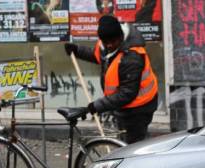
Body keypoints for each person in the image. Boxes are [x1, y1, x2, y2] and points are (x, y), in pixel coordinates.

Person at [64, 15, 158, 144]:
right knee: (125, 143)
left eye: (113, 41)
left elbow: (127, 94)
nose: (109, 45)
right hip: (123, 106)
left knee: (133, 147)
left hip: (139, 109)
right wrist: (77, 50)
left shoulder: (132, 56)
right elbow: (98, 55)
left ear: (120, 36)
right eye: (106, 42)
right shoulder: (106, 44)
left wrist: (96, 106)